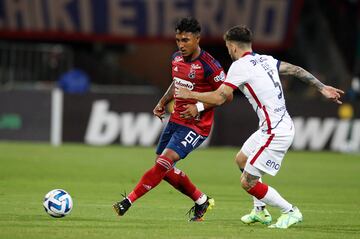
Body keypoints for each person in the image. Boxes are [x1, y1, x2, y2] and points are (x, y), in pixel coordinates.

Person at [176, 25, 344, 228]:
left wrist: (190, 95)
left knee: (248, 182)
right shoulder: (267, 60)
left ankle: (290, 211)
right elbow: (296, 70)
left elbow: (220, 97)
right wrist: (322, 87)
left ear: (232, 46)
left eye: (227, 46)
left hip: (277, 132)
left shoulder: (240, 66)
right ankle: (260, 211)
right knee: (241, 159)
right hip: (270, 128)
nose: (228, 50)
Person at [113, 17, 228, 221]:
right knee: (164, 168)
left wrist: (199, 106)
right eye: (178, 40)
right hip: (175, 121)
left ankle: (128, 201)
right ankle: (201, 201)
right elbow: (176, 84)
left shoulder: (210, 65)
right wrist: (163, 101)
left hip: (197, 126)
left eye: (185, 40)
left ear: (197, 39)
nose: (181, 45)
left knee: (163, 163)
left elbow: (225, 96)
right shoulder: (176, 58)